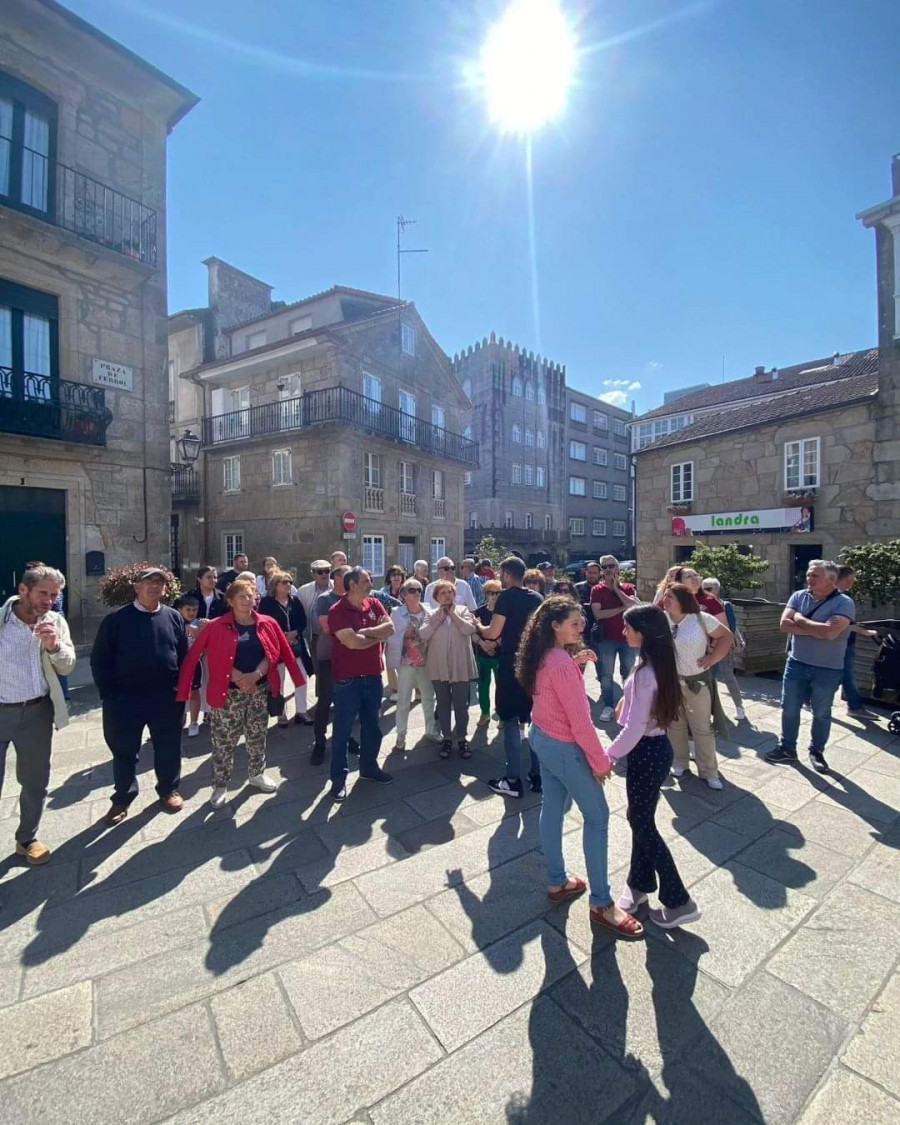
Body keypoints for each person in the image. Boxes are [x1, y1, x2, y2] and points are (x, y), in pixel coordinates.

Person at [520, 597, 642, 939]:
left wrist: (573, 663)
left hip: (542, 737)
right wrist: (601, 763)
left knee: (552, 808)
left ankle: (557, 880)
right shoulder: (559, 662)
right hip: (563, 746)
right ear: (555, 626)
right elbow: (581, 722)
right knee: (598, 817)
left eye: (581, 622)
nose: (581, 627)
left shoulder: (545, 654)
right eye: (574, 623)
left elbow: (552, 689)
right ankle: (602, 903)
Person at [608, 604, 701, 930]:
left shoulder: (647, 673)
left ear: (643, 633)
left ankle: (678, 900)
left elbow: (634, 728)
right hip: (655, 750)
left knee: (641, 822)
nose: (624, 632)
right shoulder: (653, 663)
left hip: (647, 751)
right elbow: (637, 713)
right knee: (640, 818)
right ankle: (638, 884)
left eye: (628, 627)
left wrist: (607, 756)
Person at [177, 579, 305, 807]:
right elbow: (202, 655)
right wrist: (240, 679)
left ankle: (256, 774)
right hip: (228, 695)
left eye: (251, 596)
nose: (248, 601)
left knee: (257, 735)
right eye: (242, 597)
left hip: (259, 690)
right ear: (231, 601)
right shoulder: (216, 626)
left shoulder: (267, 623)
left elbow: (275, 652)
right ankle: (220, 784)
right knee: (224, 741)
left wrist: (256, 675)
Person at [91, 567, 188, 826]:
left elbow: (184, 655)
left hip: (166, 698)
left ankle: (168, 790)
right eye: (149, 582)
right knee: (124, 751)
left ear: (165, 589)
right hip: (125, 701)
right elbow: (100, 660)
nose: (154, 587)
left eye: (159, 583)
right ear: (136, 586)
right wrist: (109, 695)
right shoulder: (116, 620)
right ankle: (122, 798)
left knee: (168, 747)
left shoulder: (174, 617)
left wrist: (184, 688)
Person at [0, 566, 75, 865]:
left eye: (54, 595)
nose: (49, 600)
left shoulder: (55, 621)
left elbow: (67, 665)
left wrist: (54, 646)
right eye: (43, 593)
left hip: (36, 713)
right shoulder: (3, 621)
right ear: (23, 590)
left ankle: (26, 838)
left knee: (35, 781)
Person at [766, 560, 855, 773]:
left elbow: (831, 633)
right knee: (789, 708)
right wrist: (818, 629)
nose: (809, 578)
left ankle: (817, 752)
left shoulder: (844, 602)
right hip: (796, 663)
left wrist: (798, 618)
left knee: (821, 712)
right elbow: (783, 625)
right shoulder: (798, 596)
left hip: (828, 668)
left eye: (815, 575)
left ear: (831, 579)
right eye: (808, 574)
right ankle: (787, 748)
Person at [477, 556, 543, 797]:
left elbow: (493, 633)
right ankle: (538, 776)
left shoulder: (505, 597)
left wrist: (478, 626)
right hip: (533, 666)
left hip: (511, 666)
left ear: (506, 574)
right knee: (535, 721)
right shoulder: (536, 598)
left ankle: (513, 780)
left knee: (512, 721)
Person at [327, 567, 395, 801]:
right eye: (366, 580)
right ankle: (338, 780)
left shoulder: (374, 603)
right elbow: (351, 642)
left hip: (373, 676)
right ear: (353, 584)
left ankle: (368, 768)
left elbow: (390, 628)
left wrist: (366, 632)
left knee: (372, 726)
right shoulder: (337, 610)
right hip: (348, 680)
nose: (371, 582)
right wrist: (376, 636)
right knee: (343, 730)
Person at [662, 583, 733, 790]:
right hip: (672, 682)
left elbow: (726, 636)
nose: (665, 600)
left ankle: (709, 771)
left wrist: (713, 658)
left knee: (702, 728)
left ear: (682, 600)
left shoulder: (701, 619)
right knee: (675, 725)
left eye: (670, 597)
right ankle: (679, 762)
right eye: (665, 596)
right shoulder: (661, 620)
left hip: (697, 682)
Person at [420, 580, 478, 759]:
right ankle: (446, 737)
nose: (447, 595)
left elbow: (469, 629)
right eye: (443, 593)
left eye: (450, 592)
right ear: (436, 597)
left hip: (460, 664)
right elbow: (423, 634)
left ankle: (462, 738)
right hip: (439, 665)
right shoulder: (431, 614)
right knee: (443, 704)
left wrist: (453, 615)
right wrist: (439, 618)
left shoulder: (463, 610)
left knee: (461, 705)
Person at [312, 565, 358, 765]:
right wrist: (354, 632)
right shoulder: (324, 599)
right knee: (325, 701)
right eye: (347, 577)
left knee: (347, 701)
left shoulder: (354, 599)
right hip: (328, 656)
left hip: (351, 656)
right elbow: (327, 627)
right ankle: (320, 742)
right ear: (337, 578)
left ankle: (346, 738)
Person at [386, 579, 440, 751]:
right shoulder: (396, 612)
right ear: (403, 595)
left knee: (428, 696)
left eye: (419, 589)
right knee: (403, 700)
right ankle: (401, 735)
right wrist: (404, 635)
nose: (416, 592)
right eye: (412, 590)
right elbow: (391, 638)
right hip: (406, 661)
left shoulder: (429, 610)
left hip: (426, 661)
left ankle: (430, 729)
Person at [259, 571, 314, 726]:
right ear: (275, 585)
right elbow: (262, 624)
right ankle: (281, 713)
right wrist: (280, 636)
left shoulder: (295, 601)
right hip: (276, 648)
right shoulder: (266, 603)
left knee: (301, 678)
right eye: (284, 582)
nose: (288, 585)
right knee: (279, 681)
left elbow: (303, 620)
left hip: (295, 646)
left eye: (290, 582)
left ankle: (301, 711)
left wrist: (296, 632)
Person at [590, 555, 639, 723]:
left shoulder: (628, 587)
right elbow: (599, 614)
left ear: (617, 568)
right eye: (605, 567)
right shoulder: (597, 590)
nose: (608, 569)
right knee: (606, 675)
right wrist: (622, 607)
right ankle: (608, 706)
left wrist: (617, 589)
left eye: (611, 566)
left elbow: (633, 605)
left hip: (628, 639)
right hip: (606, 639)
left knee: (628, 673)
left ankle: (628, 704)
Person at [701, 576, 746, 721]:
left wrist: (716, 645)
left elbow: (730, 628)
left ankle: (739, 706)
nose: (705, 591)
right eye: (704, 588)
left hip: (721, 647)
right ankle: (710, 710)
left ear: (717, 590)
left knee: (728, 676)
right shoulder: (700, 604)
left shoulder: (725, 605)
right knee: (709, 679)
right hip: (704, 648)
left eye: (709, 588)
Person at [836, 566, 878, 717]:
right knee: (846, 674)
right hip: (840, 643)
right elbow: (844, 623)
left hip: (846, 642)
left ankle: (809, 699)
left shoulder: (844, 595)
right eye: (853, 578)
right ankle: (854, 707)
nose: (854, 581)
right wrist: (865, 632)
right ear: (847, 578)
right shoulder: (836, 597)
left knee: (845, 675)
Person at [174, 595, 204, 735]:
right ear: (179, 610)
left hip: (194, 662)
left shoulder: (199, 624)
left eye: (194, 609)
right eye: (188, 609)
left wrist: (198, 633)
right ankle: (178, 719)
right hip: (177, 664)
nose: (191, 613)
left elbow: (205, 645)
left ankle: (194, 722)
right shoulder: (173, 623)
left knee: (194, 692)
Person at [473, 579, 502, 727]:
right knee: (483, 686)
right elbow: (473, 633)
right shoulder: (479, 611)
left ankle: (502, 714)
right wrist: (483, 644)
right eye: (491, 593)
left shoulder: (504, 612)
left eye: (498, 593)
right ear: (486, 595)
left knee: (501, 686)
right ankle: (485, 713)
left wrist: (494, 644)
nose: (495, 596)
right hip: (483, 655)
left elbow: (507, 634)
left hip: (500, 655)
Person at [297, 559, 333, 667]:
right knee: (319, 669)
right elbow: (300, 614)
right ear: (313, 574)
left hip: (337, 636)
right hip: (316, 637)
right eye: (320, 571)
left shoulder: (338, 586)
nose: (324, 574)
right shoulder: (303, 591)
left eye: (327, 571)